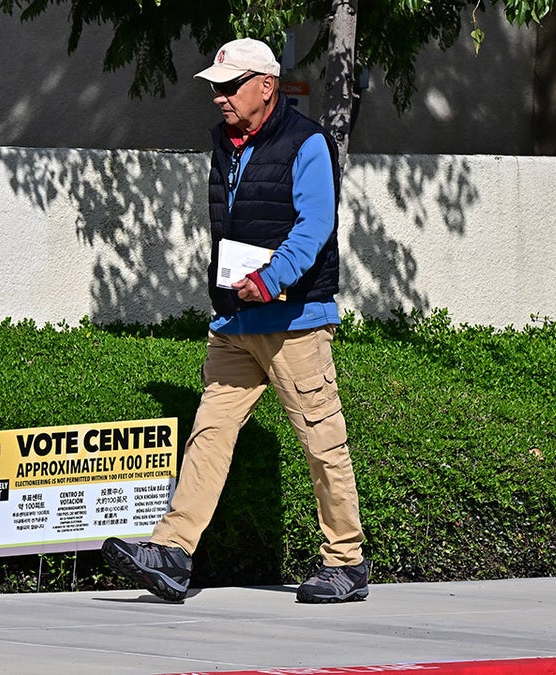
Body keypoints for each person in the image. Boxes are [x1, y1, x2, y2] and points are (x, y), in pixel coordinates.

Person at [102, 37, 369, 604]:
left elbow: (315, 224)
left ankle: (346, 562)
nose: (219, 97)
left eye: (230, 86)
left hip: (295, 318)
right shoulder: (225, 141)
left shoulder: (308, 142)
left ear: (266, 87)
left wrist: (272, 279)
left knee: (322, 442)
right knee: (209, 435)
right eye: (215, 88)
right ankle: (173, 552)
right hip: (236, 321)